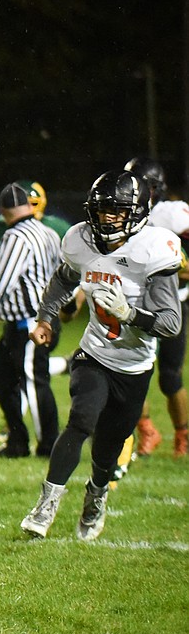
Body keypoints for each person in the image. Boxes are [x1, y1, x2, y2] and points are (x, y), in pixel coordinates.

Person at [21, 170, 181, 541]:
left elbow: (171, 323)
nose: (106, 218)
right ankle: (45, 507)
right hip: (93, 354)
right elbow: (65, 276)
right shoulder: (80, 240)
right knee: (80, 421)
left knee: (107, 451)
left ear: (138, 212)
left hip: (135, 365)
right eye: (101, 210)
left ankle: (96, 494)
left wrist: (130, 313)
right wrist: (46, 316)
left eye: (116, 211)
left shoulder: (152, 249)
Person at [0, 183, 63, 458]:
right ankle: (17, 443)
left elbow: (3, 281)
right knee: (1, 380)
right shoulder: (49, 233)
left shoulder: (15, 237)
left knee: (34, 381)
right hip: (32, 320)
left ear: (2, 211)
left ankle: (48, 445)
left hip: (30, 323)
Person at [124, 157, 189, 458]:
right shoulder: (123, 212)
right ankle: (147, 430)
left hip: (172, 302)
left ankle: (183, 435)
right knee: (132, 371)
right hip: (134, 302)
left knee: (169, 376)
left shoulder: (171, 214)